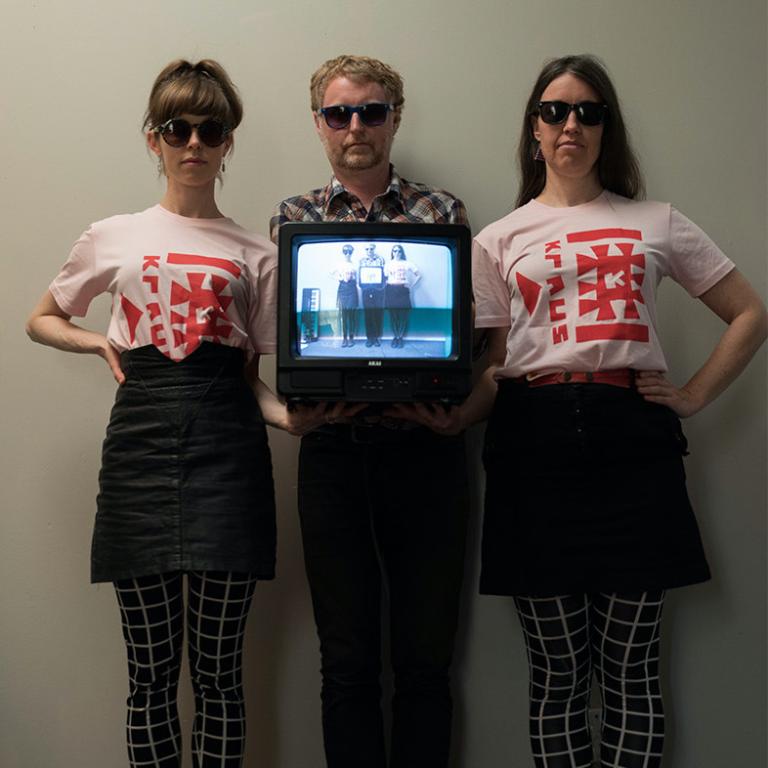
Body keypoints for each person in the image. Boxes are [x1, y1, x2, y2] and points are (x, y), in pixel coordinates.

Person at [435, 54, 766, 768]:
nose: (571, 124)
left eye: (588, 111)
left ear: (606, 129)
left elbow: (748, 313)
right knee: (557, 674)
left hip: (633, 442)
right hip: (532, 443)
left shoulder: (657, 220)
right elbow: (494, 366)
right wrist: (459, 418)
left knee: (631, 670)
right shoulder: (499, 237)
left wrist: (695, 394)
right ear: (534, 130)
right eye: (555, 111)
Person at [26, 59, 278, 768]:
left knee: (222, 676)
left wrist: (290, 418)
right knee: (150, 677)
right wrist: (96, 342)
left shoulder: (256, 253)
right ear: (154, 139)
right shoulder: (113, 235)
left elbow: (250, 378)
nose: (193, 142)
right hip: (138, 448)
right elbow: (41, 318)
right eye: (177, 127)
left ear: (229, 142)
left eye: (210, 128)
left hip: (229, 454)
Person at [268, 54, 470, 768]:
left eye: (372, 111)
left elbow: (477, 342)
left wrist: (462, 412)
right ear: (319, 122)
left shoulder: (441, 213)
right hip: (332, 455)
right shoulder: (293, 219)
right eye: (339, 112)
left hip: (429, 453)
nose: (356, 126)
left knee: (425, 660)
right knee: (346, 661)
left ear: (395, 118)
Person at [385, 244, 420, 348]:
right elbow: (386, 278)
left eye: (399, 251)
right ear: (392, 253)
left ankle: (400, 338)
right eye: (394, 251)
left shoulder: (407, 263)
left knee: (403, 316)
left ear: (402, 252)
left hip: (403, 291)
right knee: (393, 316)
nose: (397, 253)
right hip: (391, 291)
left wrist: (411, 285)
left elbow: (418, 275)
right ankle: (395, 337)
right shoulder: (388, 264)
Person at [358, 242, 386, 346]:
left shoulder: (381, 260)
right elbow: (359, 277)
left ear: (374, 249)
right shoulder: (361, 261)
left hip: (378, 291)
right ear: (365, 250)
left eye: (371, 249)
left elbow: (384, 275)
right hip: (366, 291)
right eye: (367, 249)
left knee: (378, 314)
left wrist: (381, 288)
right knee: (368, 315)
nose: (369, 251)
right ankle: (369, 338)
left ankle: (377, 337)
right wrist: (363, 288)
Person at [332, 243, 359, 347]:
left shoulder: (354, 264)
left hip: (352, 289)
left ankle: (351, 338)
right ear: (343, 253)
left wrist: (353, 278)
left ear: (352, 253)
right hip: (343, 289)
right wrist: (338, 278)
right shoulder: (339, 264)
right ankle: (344, 339)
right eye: (345, 251)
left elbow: (357, 278)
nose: (348, 254)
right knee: (344, 315)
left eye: (350, 252)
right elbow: (330, 273)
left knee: (351, 316)